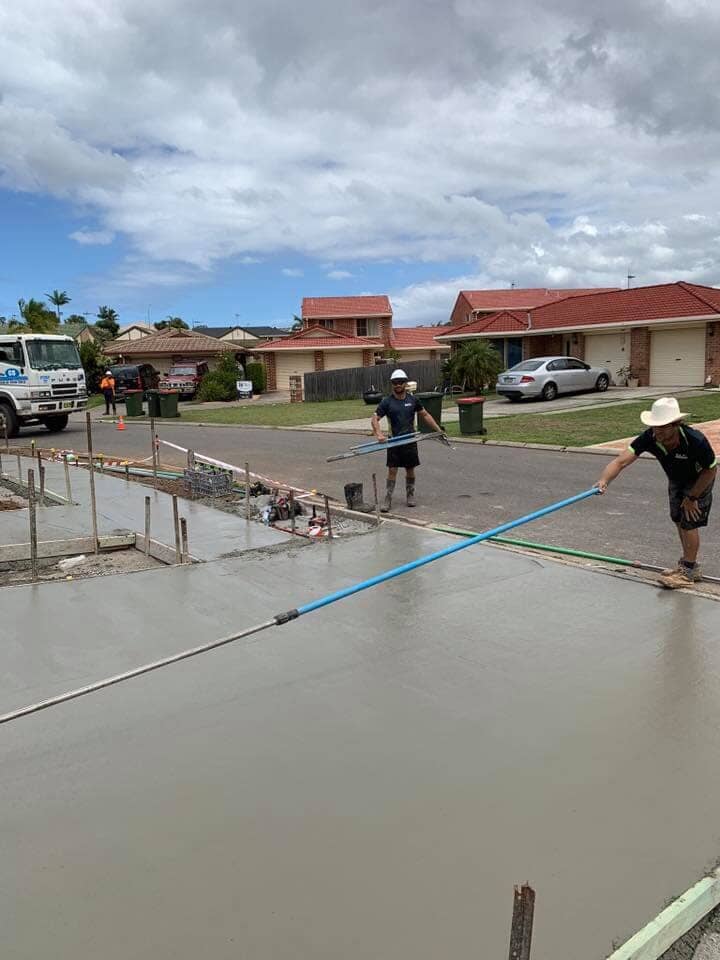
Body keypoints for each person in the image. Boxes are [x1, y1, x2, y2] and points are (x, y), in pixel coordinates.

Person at [595, 396, 717, 589]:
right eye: (654, 426)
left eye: (661, 427)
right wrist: (604, 481)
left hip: (700, 479)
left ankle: (688, 572)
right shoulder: (650, 438)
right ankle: (686, 564)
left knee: (688, 520)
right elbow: (621, 461)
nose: (656, 431)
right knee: (678, 518)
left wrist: (693, 497)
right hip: (676, 479)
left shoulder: (695, 441)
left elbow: (711, 469)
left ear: (675, 424)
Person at [371, 369, 442, 512]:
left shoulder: (413, 400)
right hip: (394, 441)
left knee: (410, 469)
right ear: (392, 384)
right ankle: (388, 498)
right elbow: (374, 419)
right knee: (392, 470)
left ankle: (410, 495)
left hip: (409, 440)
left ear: (405, 383)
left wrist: (438, 430)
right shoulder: (387, 402)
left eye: (401, 382)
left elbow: (425, 415)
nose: (398, 385)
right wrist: (378, 434)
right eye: (395, 383)